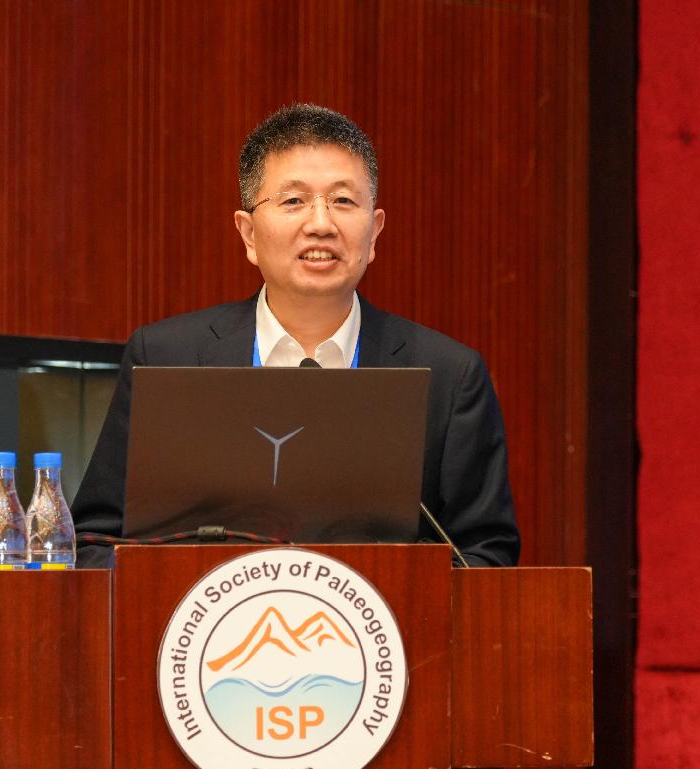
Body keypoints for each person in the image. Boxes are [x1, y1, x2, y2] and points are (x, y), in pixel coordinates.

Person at [71, 104, 520, 566]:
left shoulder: (448, 375)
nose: (321, 224)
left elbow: (485, 558)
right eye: (293, 201)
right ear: (248, 233)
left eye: (343, 201)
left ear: (374, 231)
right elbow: (95, 544)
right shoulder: (167, 357)